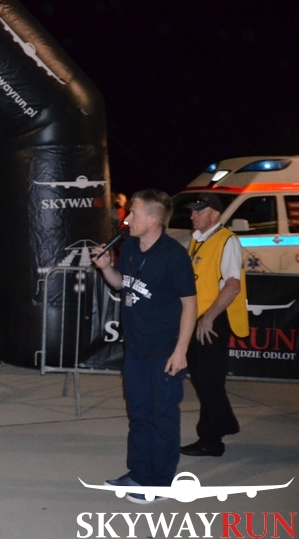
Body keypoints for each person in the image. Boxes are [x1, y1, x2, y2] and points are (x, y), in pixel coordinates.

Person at [92, 189, 196, 504]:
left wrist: (181, 351)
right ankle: (138, 473)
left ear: (152, 220)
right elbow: (122, 284)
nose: (127, 219)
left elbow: (190, 305)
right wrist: (106, 267)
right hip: (135, 349)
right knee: (138, 412)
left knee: (162, 415)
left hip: (164, 350)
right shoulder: (131, 246)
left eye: (133, 213)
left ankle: (160, 483)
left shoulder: (174, 256)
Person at [181, 192, 248, 457]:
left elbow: (232, 286)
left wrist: (208, 317)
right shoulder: (198, 240)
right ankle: (226, 422)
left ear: (215, 214)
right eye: (192, 210)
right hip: (198, 318)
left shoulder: (227, 240)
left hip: (212, 319)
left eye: (199, 210)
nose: (192, 215)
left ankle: (210, 441)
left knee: (208, 381)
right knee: (203, 379)